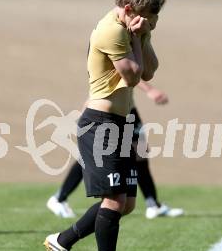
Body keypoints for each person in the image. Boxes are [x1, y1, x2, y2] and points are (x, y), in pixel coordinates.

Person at [44, 0, 166, 251]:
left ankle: (62, 241)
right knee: (113, 199)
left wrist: (145, 35)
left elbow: (150, 70)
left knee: (126, 204)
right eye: (148, 17)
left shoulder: (132, 28)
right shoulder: (111, 30)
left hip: (120, 123)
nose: (150, 22)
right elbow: (132, 75)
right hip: (99, 123)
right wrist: (138, 39)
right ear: (128, 8)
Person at [47, 80, 184, 219]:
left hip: (127, 109)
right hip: (106, 109)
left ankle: (153, 204)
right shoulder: (116, 59)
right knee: (94, 157)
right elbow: (125, 71)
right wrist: (149, 90)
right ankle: (59, 198)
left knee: (140, 153)